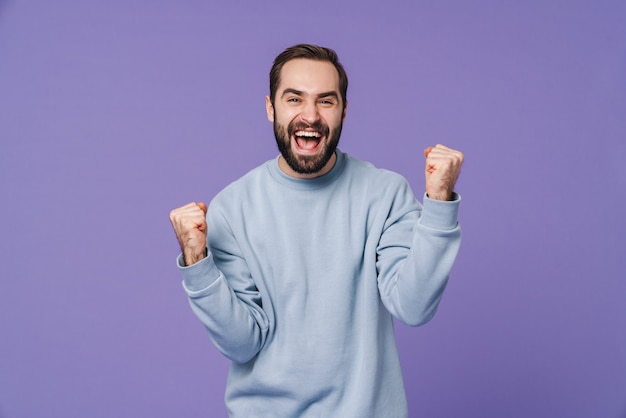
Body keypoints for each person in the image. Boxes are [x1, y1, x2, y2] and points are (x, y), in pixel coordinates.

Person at [169, 44, 464, 418]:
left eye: (326, 101)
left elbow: (414, 306)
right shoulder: (231, 208)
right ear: (270, 108)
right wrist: (198, 264)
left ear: (343, 111)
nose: (310, 116)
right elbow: (241, 344)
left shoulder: (384, 193)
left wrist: (438, 205)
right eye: (294, 99)